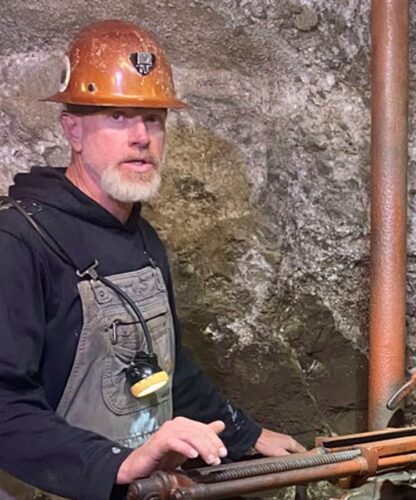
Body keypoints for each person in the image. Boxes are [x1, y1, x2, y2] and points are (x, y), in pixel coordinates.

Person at [0, 20, 304, 499]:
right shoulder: (18, 241)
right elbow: (4, 408)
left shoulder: (142, 238)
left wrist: (244, 434)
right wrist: (115, 466)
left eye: (154, 118)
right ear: (73, 129)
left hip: (148, 488)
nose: (141, 136)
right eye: (118, 117)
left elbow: (167, 367)